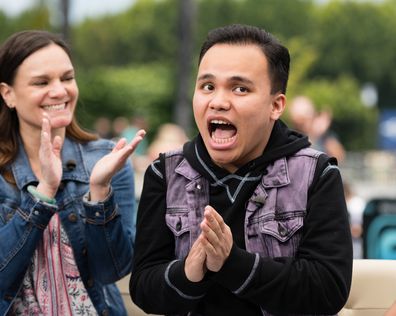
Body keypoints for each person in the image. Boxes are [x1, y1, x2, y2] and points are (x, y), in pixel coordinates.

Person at [130, 24, 352, 315]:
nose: (219, 102)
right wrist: (189, 271)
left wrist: (232, 262)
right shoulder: (165, 173)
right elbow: (143, 288)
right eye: (207, 86)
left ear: (276, 105)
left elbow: (327, 291)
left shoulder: (317, 175)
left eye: (240, 88)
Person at [0, 30, 145, 315]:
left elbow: (112, 270)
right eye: (42, 82)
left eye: (67, 78)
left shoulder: (108, 159)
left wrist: (99, 192)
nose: (59, 90)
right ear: (8, 94)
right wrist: (42, 195)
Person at [288, 96, 346, 163]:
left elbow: (340, 156)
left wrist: (322, 133)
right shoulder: (292, 136)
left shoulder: (325, 135)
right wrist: (314, 135)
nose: (305, 123)